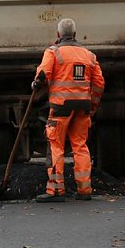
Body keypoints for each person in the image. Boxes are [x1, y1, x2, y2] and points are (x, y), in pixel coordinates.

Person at [32, 17, 104, 202]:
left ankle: (56, 190)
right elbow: (99, 84)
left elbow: (43, 74)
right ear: (75, 34)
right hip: (83, 107)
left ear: (58, 34)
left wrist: (36, 83)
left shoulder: (53, 52)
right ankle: (84, 189)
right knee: (80, 145)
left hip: (60, 107)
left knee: (55, 143)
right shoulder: (89, 55)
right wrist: (92, 106)